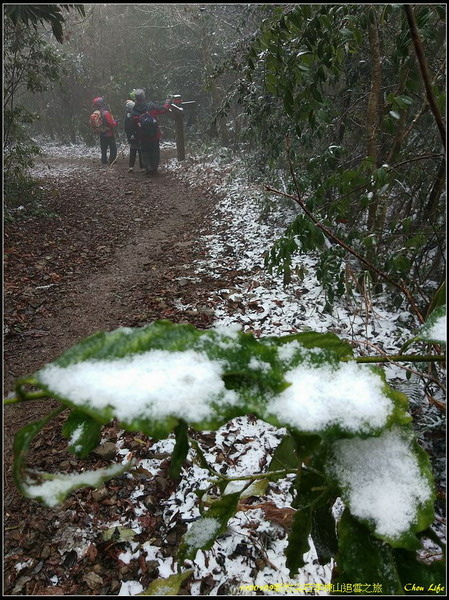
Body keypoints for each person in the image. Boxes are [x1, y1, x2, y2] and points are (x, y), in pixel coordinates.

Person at [130, 89, 172, 176]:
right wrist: (167, 102)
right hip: (154, 134)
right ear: (143, 96)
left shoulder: (134, 109)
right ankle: (154, 168)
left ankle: (148, 168)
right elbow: (163, 109)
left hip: (142, 135)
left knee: (145, 151)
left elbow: (133, 122)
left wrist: (135, 133)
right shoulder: (150, 105)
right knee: (154, 150)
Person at [92, 97, 118, 165]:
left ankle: (104, 160)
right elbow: (111, 124)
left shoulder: (97, 113)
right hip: (109, 133)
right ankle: (112, 160)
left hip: (101, 133)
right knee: (113, 148)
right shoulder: (106, 113)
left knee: (103, 148)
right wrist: (116, 122)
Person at [124, 98, 144, 173]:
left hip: (132, 137)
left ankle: (131, 166)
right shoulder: (136, 116)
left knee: (133, 152)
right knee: (140, 151)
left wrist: (129, 136)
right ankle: (142, 167)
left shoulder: (127, 116)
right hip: (137, 136)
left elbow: (126, 128)